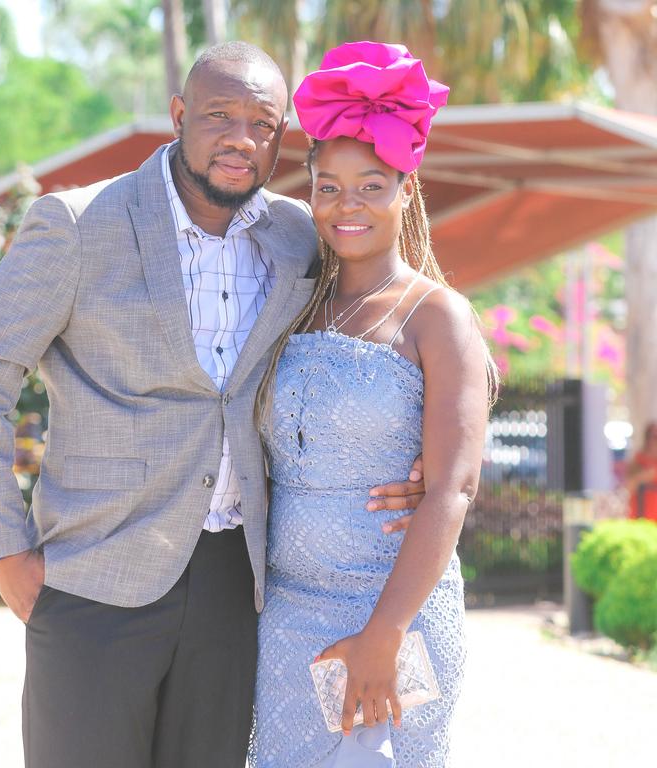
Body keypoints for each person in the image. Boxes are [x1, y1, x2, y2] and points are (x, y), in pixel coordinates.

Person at [0, 42, 424, 768]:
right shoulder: (78, 224)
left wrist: (407, 456)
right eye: (220, 116)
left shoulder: (295, 236)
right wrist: (2, 549)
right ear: (178, 114)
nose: (241, 139)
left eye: (263, 123)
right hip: (95, 574)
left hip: (236, 585)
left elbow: (372, 325)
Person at [250, 42, 497, 767]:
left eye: (371, 186)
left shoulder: (437, 316)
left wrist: (385, 633)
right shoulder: (294, 306)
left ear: (406, 191)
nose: (346, 205)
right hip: (286, 619)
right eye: (328, 187)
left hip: (396, 616)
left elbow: (453, 486)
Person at [626, 421, 657, 521]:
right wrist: (645, 476)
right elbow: (629, 486)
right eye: (654, 437)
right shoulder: (638, 460)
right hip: (642, 514)